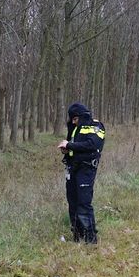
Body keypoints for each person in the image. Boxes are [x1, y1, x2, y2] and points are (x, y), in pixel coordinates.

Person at [57, 102, 106, 243]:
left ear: (82, 116)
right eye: (72, 119)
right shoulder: (74, 128)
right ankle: (77, 236)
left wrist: (70, 145)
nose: (73, 122)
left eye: (75, 119)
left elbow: (93, 144)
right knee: (73, 201)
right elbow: (74, 145)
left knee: (84, 202)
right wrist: (66, 149)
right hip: (73, 168)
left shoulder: (96, 126)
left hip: (87, 169)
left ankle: (90, 239)